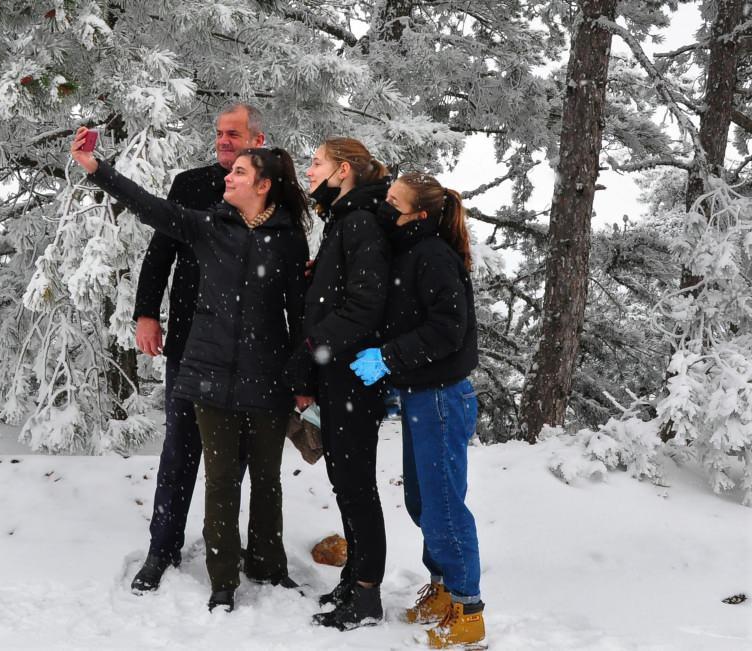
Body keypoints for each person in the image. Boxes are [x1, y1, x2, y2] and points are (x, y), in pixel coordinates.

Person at [70, 132, 314, 613]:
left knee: (267, 478)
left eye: (240, 172)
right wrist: (98, 169)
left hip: (266, 377)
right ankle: (222, 581)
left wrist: (301, 378)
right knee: (221, 478)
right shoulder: (209, 227)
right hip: (206, 372)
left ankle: (268, 565)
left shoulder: (287, 238)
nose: (229, 176)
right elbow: (151, 208)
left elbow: (299, 313)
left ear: (263, 185)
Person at [129, 103, 265, 593]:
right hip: (188, 342)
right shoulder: (190, 184)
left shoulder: (273, 191)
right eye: (220, 134)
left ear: (257, 139)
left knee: (244, 459)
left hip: (249, 352)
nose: (224, 141)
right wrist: (147, 313)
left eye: (234, 134)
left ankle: (239, 550)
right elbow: (159, 251)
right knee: (180, 449)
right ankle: (160, 549)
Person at [350, 173, 485, 649]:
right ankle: (445, 588)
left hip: (443, 397)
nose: (385, 209)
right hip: (420, 396)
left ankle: (469, 612)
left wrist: (388, 357)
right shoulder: (409, 252)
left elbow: (449, 329)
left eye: (394, 203)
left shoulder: (432, 257)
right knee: (424, 504)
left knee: (444, 507)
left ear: (419, 216)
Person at [298, 138, 391, 630]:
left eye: (318, 163)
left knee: (356, 486)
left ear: (344, 170)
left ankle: (368, 595)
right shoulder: (345, 218)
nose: (310, 170)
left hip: (354, 376)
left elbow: (364, 305)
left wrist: (316, 344)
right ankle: (354, 577)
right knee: (345, 482)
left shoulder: (359, 221)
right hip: (342, 373)